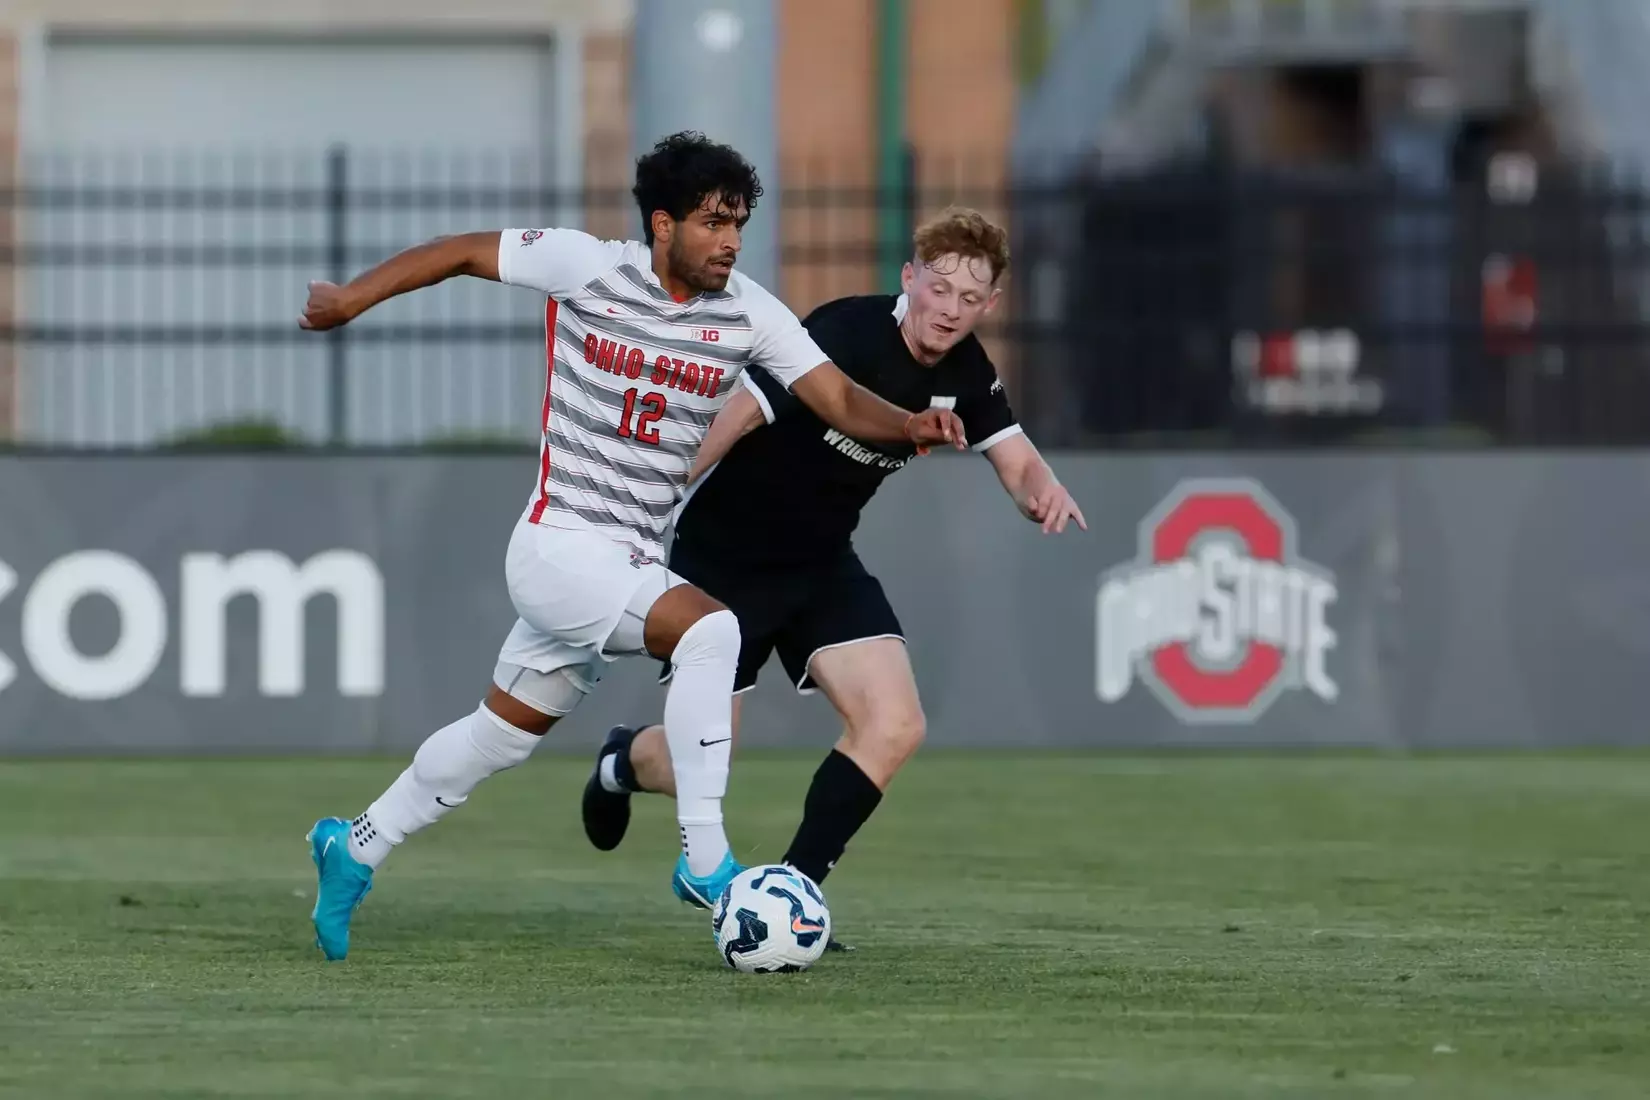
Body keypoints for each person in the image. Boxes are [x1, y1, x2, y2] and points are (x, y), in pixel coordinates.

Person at [295, 132, 965, 961]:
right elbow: (461, 252)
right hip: (560, 546)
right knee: (712, 630)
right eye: (714, 222)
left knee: (498, 736)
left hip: (629, 561)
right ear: (661, 223)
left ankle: (354, 843)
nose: (730, 241)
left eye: (740, 225)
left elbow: (833, 396)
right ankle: (707, 861)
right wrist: (351, 300)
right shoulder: (585, 266)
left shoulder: (748, 311)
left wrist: (908, 424)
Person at [579, 207, 1085, 923]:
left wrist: (1044, 492)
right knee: (696, 763)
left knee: (895, 724)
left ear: (991, 305)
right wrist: (657, 495)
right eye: (939, 289)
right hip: (725, 557)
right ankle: (622, 764)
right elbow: (741, 414)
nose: (950, 310)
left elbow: (1016, 456)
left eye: (970, 300)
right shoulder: (845, 331)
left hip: (819, 561)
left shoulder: (970, 373)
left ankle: (790, 894)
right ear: (910, 277)